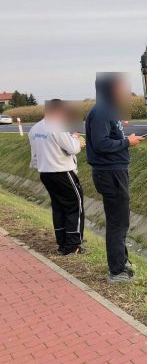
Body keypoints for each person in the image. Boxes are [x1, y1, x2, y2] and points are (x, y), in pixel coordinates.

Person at [85, 73, 145, 284]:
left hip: (114, 171)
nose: (124, 90)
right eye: (120, 87)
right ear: (109, 89)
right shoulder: (101, 111)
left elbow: (108, 138)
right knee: (117, 223)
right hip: (109, 173)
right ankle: (117, 271)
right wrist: (127, 143)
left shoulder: (108, 109)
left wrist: (125, 139)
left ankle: (122, 262)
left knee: (121, 221)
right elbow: (101, 144)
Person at [29, 99, 86, 255]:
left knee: (59, 208)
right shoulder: (57, 127)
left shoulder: (34, 129)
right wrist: (76, 139)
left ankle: (62, 242)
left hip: (45, 173)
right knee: (75, 205)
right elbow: (73, 148)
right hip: (63, 171)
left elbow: (34, 156)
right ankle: (74, 244)